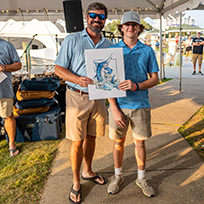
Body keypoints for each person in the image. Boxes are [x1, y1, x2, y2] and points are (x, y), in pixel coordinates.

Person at [54, 2, 113, 204]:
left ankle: (88, 171)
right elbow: (58, 69)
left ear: (105, 20)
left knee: (92, 137)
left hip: (99, 98)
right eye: (93, 15)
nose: (97, 20)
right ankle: (76, 182)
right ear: (86, 16)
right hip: (77, 96)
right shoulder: (72, 40)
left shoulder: (108, 45)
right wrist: (76, 79)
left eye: (101, 17)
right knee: (77, 141)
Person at [107, 11, 159, 197]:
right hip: (118, 106)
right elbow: (106, 83)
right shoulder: (112, 51)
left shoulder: (147, 50)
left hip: (140, 105)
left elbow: (155, 79)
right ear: (121, 28)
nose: (130, 28)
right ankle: (118, 176)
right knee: (118, 143)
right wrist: (114, 108)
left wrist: (137, 85)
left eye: (134, 25)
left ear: (139, 28)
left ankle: (141, 177)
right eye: (126, 25)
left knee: (139, 144)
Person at [0, 38, 22, 157]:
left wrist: (4, 67)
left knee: (8, 116)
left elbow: (18, 65)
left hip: (3, 90)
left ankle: (12, 145)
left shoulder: (7, 46)